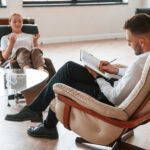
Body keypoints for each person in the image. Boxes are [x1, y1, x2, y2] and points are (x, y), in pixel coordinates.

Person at [5, 13, 150, 139]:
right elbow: (136, 77)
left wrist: (97, 77)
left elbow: (115, 97)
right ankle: (36, 112)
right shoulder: (145, 60)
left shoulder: (139, 63)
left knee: (62, 85)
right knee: (69, 68)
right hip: (114, 87)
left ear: (142, 42)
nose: (129, 45)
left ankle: (45, 123)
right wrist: (115, 70)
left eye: (130, 41)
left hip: (109, 100)